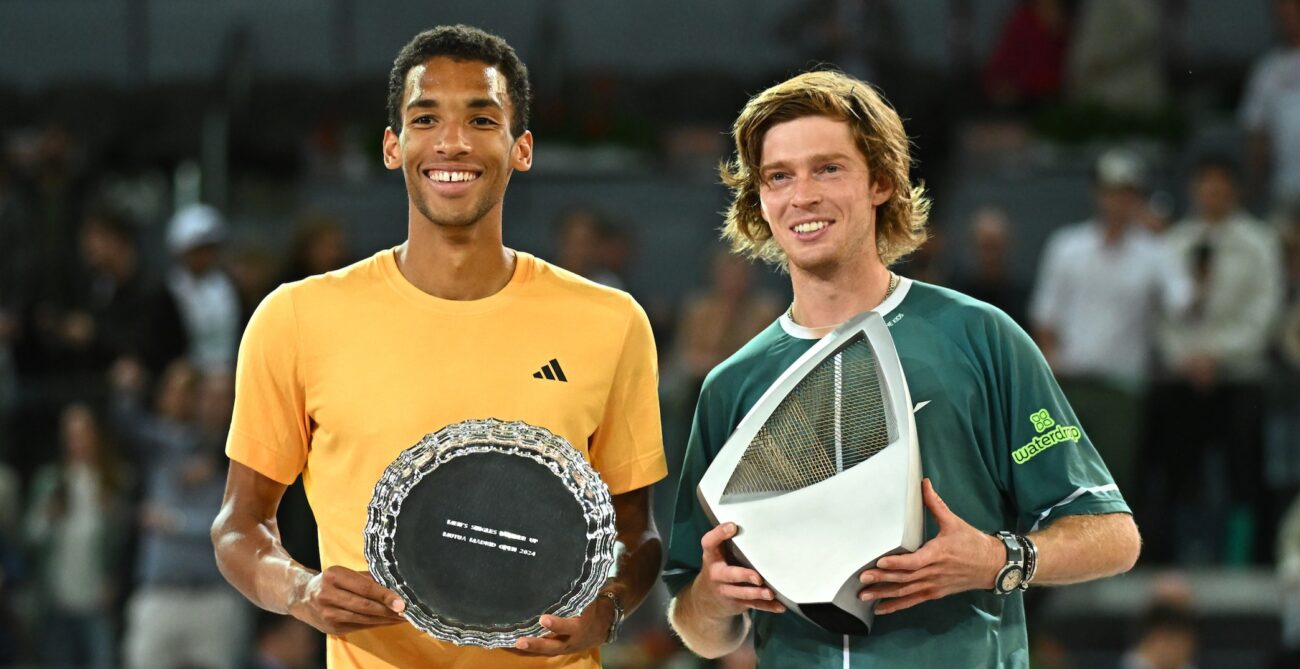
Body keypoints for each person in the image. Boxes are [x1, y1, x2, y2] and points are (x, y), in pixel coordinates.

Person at [210, 24, 667, 669]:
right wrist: (300, 590)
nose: (452, 141)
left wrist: (611, 605)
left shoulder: (610, 322)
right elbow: (239, 524)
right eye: (426, 118)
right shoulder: (296, 318)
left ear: (522, 148)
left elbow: (634, 530)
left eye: (482, 120)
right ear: (394, 146)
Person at [663, 69, 1140, 666]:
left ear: (882, 182)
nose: (802, 195)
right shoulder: (732, 383)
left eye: (828, 168)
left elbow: (1113, 538)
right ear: (759, 200)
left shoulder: (978, 336)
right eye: (778, 176)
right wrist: (711, 599)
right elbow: (701, 623)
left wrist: (997, 560)